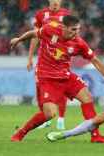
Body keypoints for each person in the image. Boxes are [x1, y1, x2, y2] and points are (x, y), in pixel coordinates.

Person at [10, 15, 104, 144]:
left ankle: (95, 135)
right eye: (73, 29)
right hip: (46, 77)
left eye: (78, 29)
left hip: (65, 76)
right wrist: (19, 39)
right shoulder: (49, 29)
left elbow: (95, 61)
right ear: (64, 27)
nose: (76, 33)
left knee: (87, 97)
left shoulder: (79, 43)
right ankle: (21, 132)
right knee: (49, 114)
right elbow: (33, 33)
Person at [28, 0, 70, 130]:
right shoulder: (41, 15)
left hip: (60, 59)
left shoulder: (67, 15)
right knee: (40, 88)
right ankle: (45, 117)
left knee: (61, 87)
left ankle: (61, 119)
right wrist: (30, 57)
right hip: (44, 59)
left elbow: (72, 35)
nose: (56, 2)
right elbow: (35, 36)